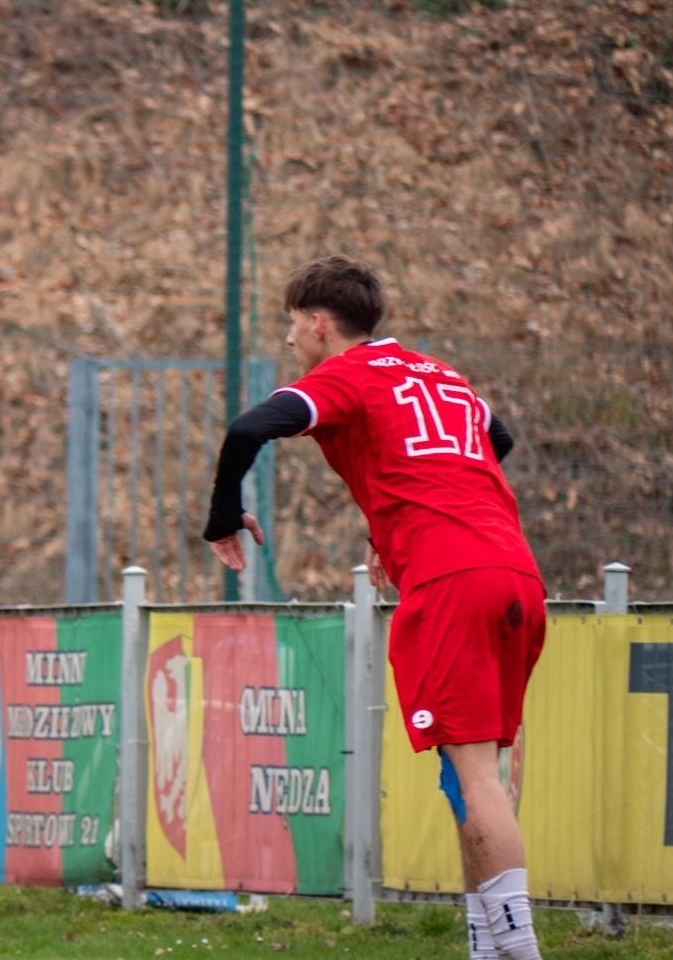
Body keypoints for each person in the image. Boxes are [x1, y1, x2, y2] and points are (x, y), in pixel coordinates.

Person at [201, 255, 546, 960]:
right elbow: (496, 438)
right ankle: (489, 944)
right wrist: (408, 512)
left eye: (293, 326)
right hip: (514, 569)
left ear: (319, 323)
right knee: (477, 766)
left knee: (476, 775)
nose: (291, 340)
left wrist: (222, 518)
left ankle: (520, 947)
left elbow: (247, 429)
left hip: (452, 581)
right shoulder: (440, 373)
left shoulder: (342, 377)